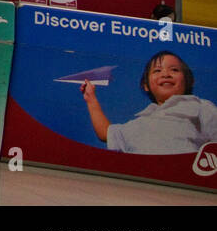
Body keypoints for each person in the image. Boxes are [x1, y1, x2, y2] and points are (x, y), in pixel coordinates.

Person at [81, 51, 217, 154]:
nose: (166, 74)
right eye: (157, 70)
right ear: (146, 85)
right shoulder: (141, 123)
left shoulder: (199, 106)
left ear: (189, 80)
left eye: (174, 70)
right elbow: (106, 133)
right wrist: (91, 99)